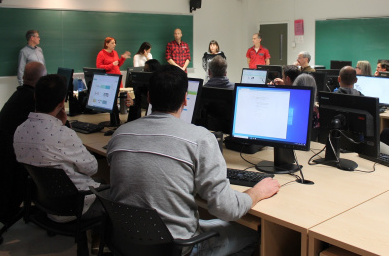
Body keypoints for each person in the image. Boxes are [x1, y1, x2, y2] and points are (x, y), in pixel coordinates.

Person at [107, 65, 280, 256]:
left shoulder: (120, 134)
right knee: (250, 233)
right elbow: (226, 209)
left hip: (127, 241)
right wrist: (256, 192)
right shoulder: (200, 139)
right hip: (178, 248)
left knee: (209, 222)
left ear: (148, 97)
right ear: (184, 99)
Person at [13, 74, 102, 222]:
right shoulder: (63, 135)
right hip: (76, 205)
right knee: (114, 190)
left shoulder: (19, 130)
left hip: (46, 202)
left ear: (35, 96)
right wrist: (64, 128)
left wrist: (59, 124)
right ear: (62, 102)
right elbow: (92, 169)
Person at [0, 62, 46, 137]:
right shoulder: (33, 100)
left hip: (2, 142)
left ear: (23, 77)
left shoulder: (18, 94)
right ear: (41, 80)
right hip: (12, 146)